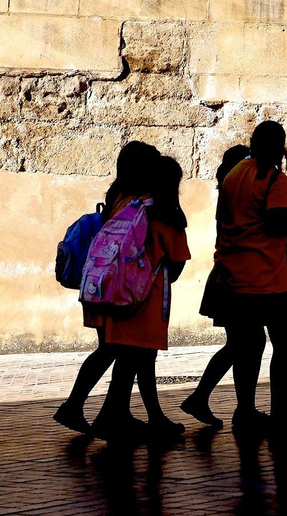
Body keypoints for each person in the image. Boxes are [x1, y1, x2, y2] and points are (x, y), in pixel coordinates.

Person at [201, 122, 287, 439]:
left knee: (247, 347)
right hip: (268, 277)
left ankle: (246, 410)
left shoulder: (234, 174)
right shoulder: (276, 179)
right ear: (281, 148)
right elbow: (277, 221)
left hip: (234, 276)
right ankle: (279, 415)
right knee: (285, 343)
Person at [56, 141, 163, 434]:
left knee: (113, 349)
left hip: (102, 284)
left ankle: (110, 411)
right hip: (120, 289)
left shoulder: (117, 194)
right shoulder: (139, 201)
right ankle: (81, 407)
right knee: (115, 349)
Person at [87, 154, 192, 443]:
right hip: (148, 300)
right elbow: (178, 260)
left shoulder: (132, 205)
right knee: (140, 358)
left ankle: (125, 414)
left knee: (132, 359)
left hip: (121, 294)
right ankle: (117, 416)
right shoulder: (168, 216)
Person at [178, 143, 253, 428]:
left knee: (242, 343)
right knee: (244, 343)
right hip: (233, 278)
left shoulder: (230, 192)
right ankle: (217, 401)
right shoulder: (237, 195)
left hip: (228, 277)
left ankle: (209, 399)